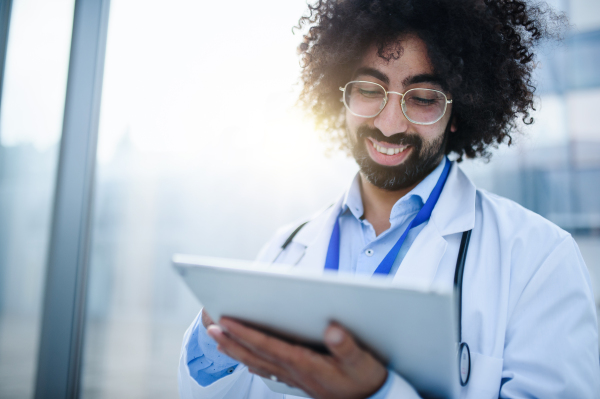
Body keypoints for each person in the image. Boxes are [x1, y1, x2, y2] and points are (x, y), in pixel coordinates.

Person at [178, 0, 600, 397]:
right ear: (338, 95)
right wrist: (210, 349)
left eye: (421, 98)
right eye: (369, 89)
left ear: (458, 114)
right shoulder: (286, 248)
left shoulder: (539, 258)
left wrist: (375, 392)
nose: (390, 123)